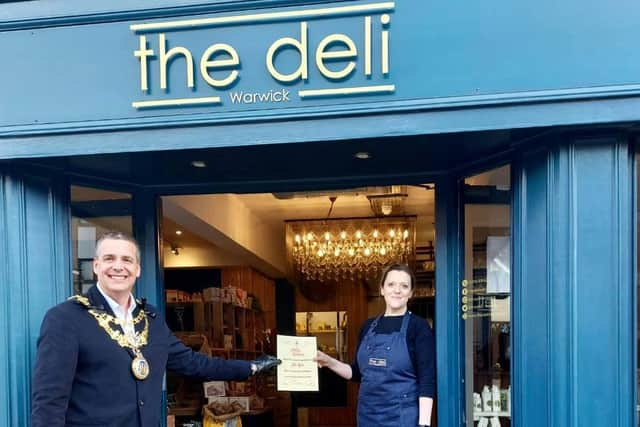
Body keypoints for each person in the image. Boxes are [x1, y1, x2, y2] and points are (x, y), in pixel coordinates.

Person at [31, 231, 280, 427]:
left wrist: (252, 366)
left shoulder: (150, 318)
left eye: (127, 259)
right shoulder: (66, 318)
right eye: (109, 259)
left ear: (137, 269)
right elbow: (49, 401)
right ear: (96, 266)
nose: (118, 266)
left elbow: (192, 363)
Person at [314, 264, 435, 427]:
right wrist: (329, 361)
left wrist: (424, 424)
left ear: (411, 293)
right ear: (382, 289)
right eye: (391, 284)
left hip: (401, 418)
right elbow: (356, 373)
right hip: (367, 417)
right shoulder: (367, 326)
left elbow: (426, 379)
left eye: (404, 286)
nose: (397, 290)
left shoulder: (418, 327)